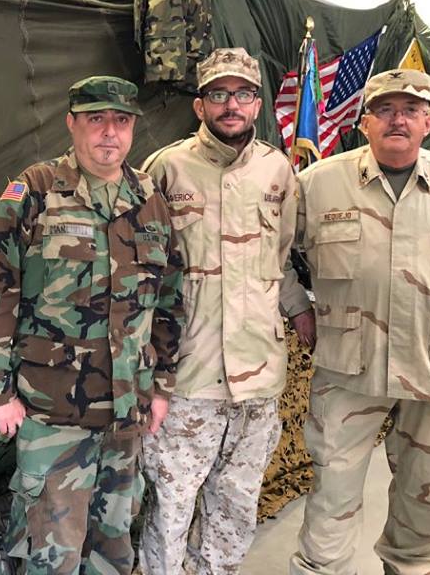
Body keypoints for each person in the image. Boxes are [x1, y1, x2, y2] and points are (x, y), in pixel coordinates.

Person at [0, 76, 185, 575]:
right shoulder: (36, 190)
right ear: (72, 124)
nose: (110, 132)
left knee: (113, 545)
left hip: (126, 414)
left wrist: (162, 384)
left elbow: (168, 298)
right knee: (50, 553)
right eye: (96, 119)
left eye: (121, 121)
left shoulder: (148, 197)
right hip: (53, 413)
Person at [290, 69, 430, 575]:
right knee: (331, 497)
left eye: (410, 110)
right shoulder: (318, 184)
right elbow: (270, 252)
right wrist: (296, 305)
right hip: (349, 370)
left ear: (428, 121)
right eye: (384, 110)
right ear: (364, 122)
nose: (397, 120)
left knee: (428, 500)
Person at [138, 47, 316, 574]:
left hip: (258, 373)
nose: (231, 105)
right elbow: (141, 269)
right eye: (218, 94)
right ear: (200, 106)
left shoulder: (277, 170)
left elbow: (280, 257)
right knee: (169, 506)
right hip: (188, 376)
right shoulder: (167, 168)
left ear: (258, 103)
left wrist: (299, 310)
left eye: (242, 94)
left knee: (236, 503)